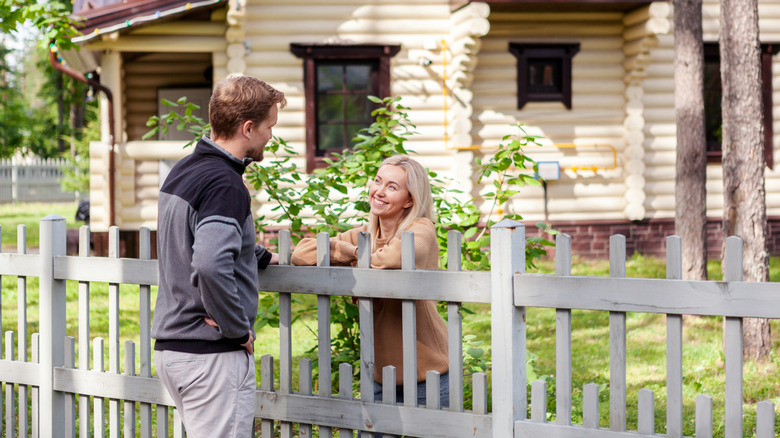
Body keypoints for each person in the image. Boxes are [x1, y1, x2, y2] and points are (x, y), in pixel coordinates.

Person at [152, 74, 285, 437]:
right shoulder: (225, 184)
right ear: (247, 128)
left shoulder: (184, 171)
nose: (270, 136)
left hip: (173, 351)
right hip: (210, 356)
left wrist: (253, 254)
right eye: (269, 127)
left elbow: (194, 238)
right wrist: (236, 328)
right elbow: (209, 263)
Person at [291, 155, 450, 408]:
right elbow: (302, 253)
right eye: (378, 181)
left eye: (392, 187)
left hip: (428, 375)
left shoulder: (422, 229)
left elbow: (393, 257)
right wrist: (353, 252)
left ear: (410, 200)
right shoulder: (362, 236)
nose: (379, 191)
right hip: (380, 376)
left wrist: (350, 255)